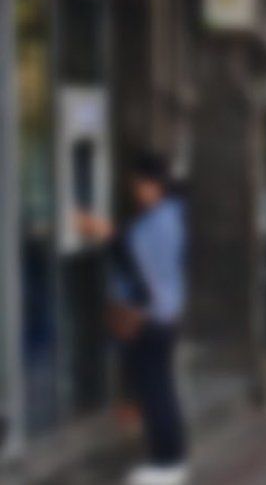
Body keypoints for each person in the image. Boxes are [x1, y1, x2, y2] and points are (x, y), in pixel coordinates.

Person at [79, 153, 188, 485]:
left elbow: (137, 260)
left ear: (154, 184)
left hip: (149, 317)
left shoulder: (160, 221)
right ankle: (168, 460)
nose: (136, 191)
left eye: (140, 184)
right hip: (160, 315)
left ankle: (166, 463)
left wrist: (106, 233)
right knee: (158, 388)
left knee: (155, 390)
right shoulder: (169, 216)